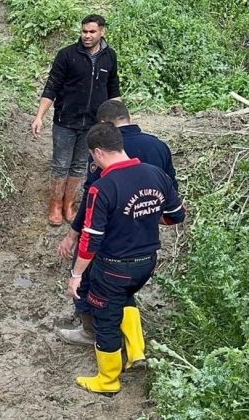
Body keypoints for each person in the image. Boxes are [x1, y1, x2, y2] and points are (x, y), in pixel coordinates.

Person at [66, 122, 185, 394]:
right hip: (146, 263)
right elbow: (176, 215)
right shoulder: (156, 174)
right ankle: (137, 352)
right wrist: (145, 218)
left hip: (114, 267)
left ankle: (107, 381)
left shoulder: (102, 187)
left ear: (98, 152)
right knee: (125, 296)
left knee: (106, 319)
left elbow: (91, 238)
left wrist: (77, 275)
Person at [31, 14, 121, 226]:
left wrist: (121, 118)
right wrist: (39, 116)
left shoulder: (110, 57)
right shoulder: (67, 55)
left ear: (102, 32)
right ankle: (55, 204)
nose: (87, 36)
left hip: (93, 124)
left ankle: (69, 204)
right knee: (61, 164)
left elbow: (113, 89)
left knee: (80, 165)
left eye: (92, 32)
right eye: (84, 31)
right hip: (65, 121)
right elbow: (51, 87)